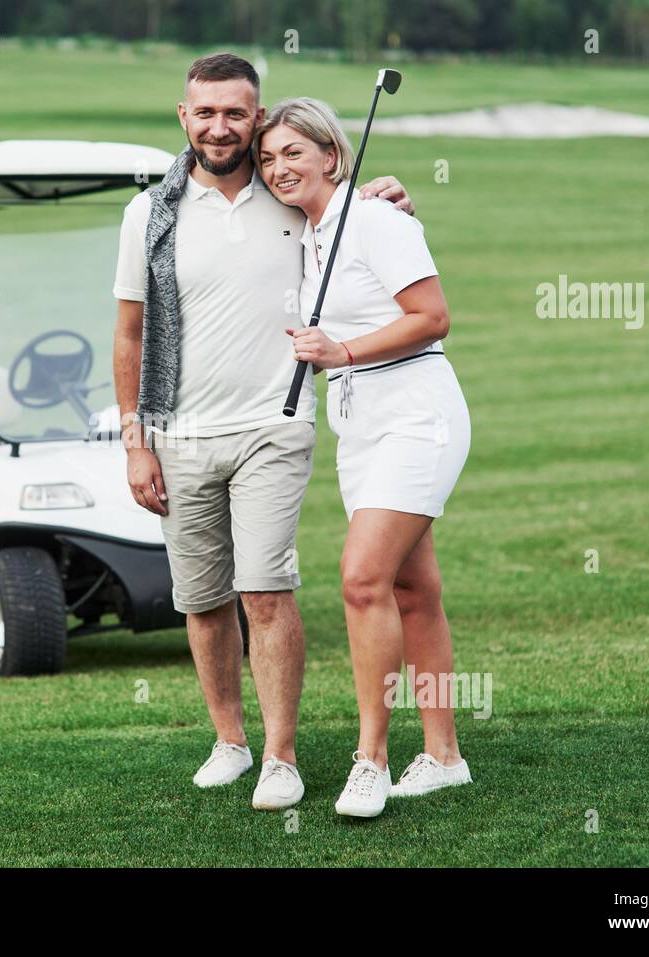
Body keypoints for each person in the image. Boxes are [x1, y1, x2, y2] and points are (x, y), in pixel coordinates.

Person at [112, 54, 413, 812]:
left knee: (265, 590)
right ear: (184, 117)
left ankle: (281, 755)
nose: (221, 127)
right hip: (176, 433)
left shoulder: (288, 190)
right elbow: (128, 335)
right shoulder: (148, 215)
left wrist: (380, 197)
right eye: (205, 112)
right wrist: (135, 439)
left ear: (256, 115)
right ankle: (230, 741)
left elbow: (348, 217)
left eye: (236, 113)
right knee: (202, 597)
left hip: (272, 428)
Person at [257, 96, 473, 818]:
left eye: (293, 152)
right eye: (268, 158)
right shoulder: (311, 230)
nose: (278, 167)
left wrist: (341, 350)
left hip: (416, 413)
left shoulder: (376, 219)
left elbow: (432, 316)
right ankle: (444, 755)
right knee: (415, 590)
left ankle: (370, 758)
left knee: (361, 579)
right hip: (360, 423)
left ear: (330, 154)